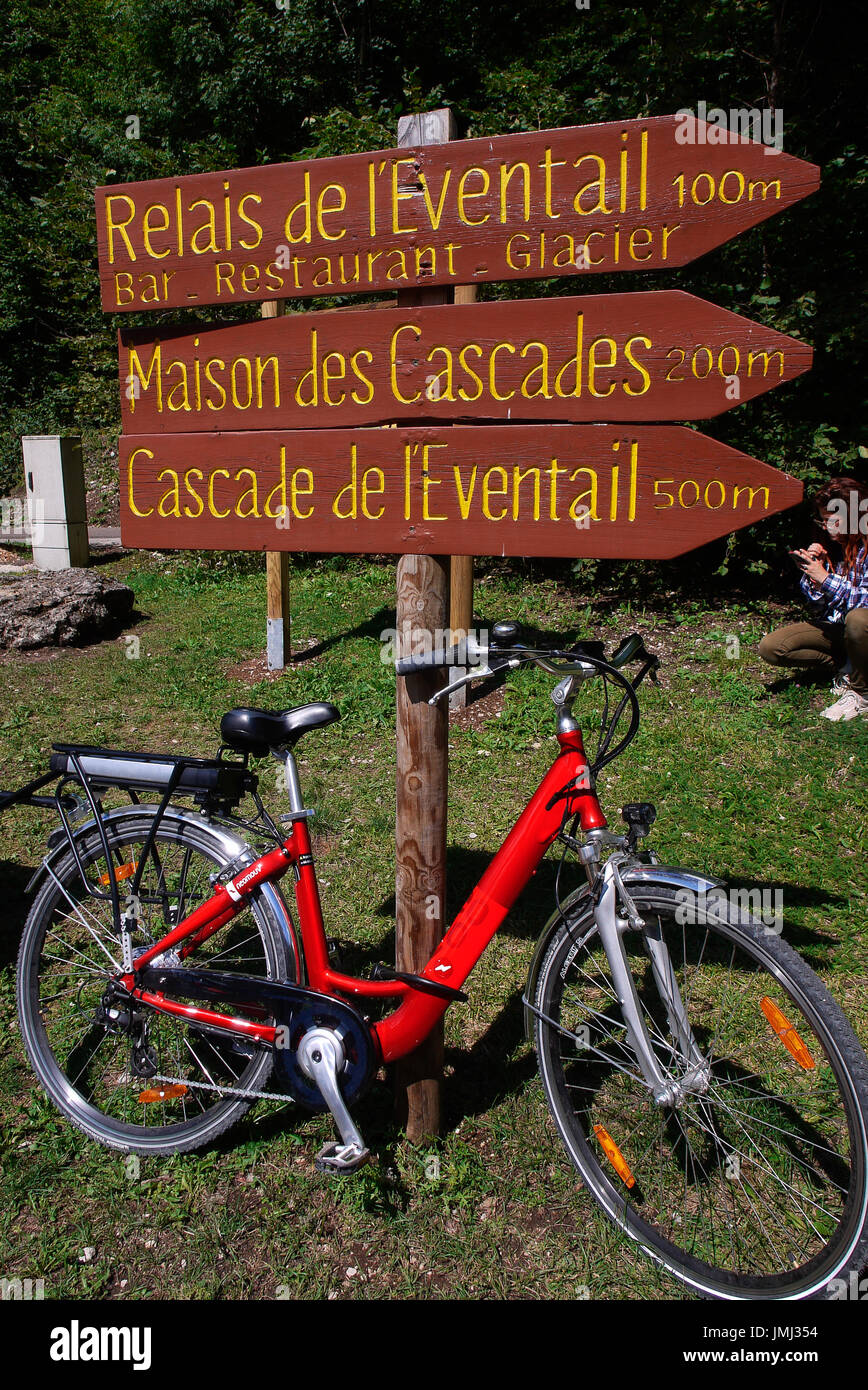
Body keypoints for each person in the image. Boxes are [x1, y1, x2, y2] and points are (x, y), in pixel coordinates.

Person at [758, 476, 868, 721]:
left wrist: (826, 578)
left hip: (862, 627)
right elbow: (820, 608)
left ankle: (862, 694)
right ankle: (848, 668)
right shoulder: (835, 546)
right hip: (841, 631)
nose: (828, 528)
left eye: (833, 521)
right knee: (773, 648)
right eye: (824, 521)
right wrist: (813, 574)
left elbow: (863, 606)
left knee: (859, 620)